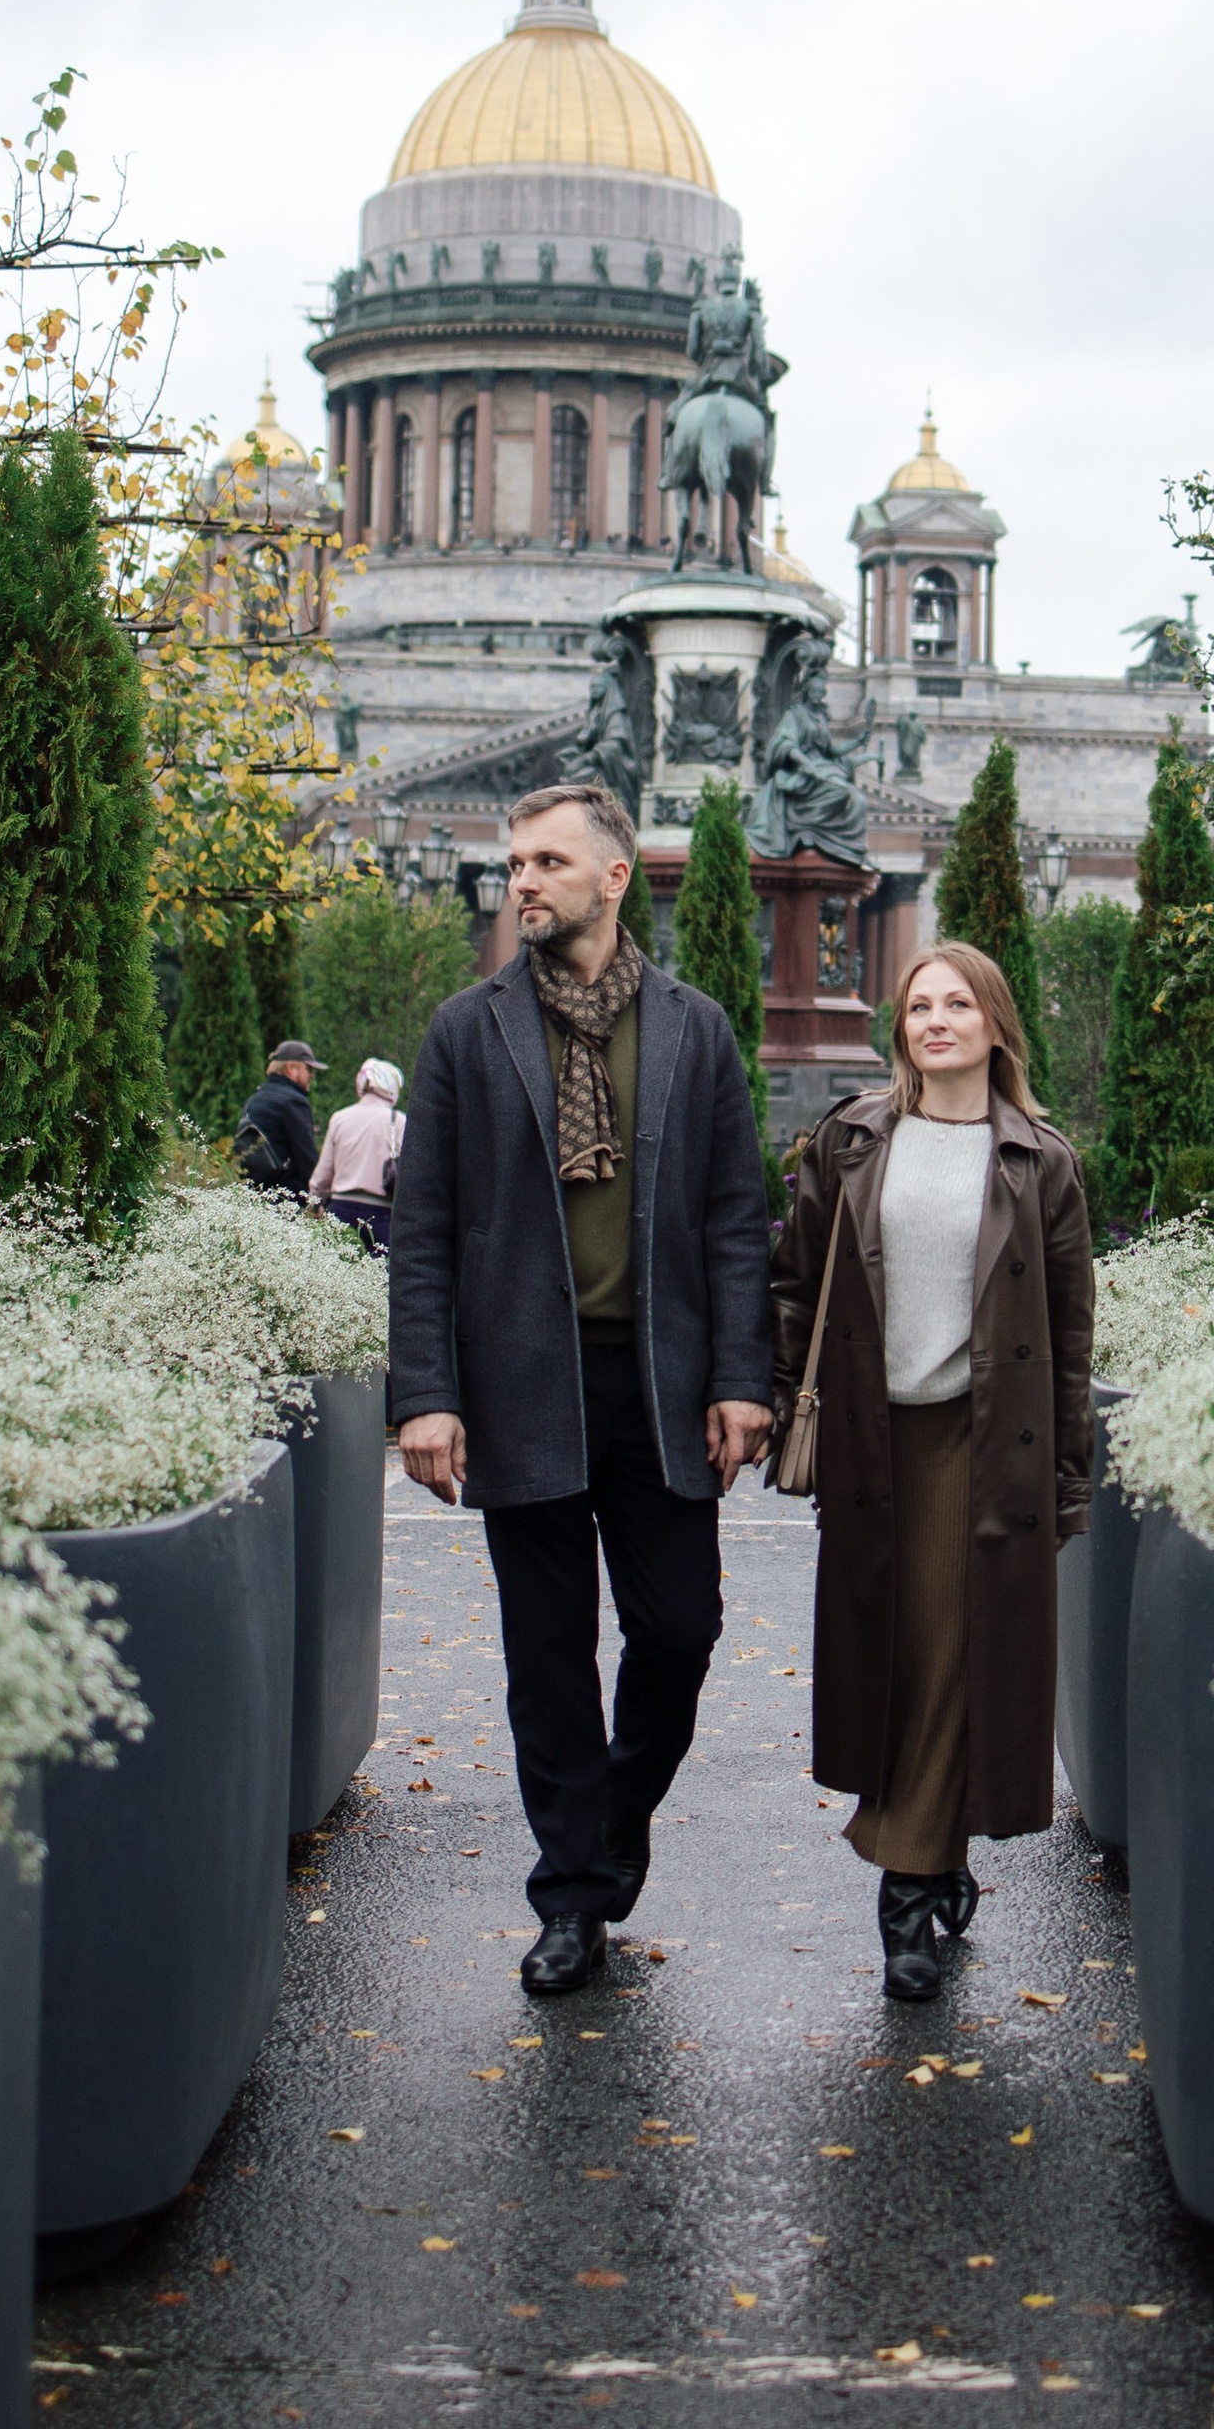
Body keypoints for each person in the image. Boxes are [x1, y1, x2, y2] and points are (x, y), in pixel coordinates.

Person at [389, 781, 774, 1997]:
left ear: (616, 878)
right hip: (520, 1385)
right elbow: (425, 1228)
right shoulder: (467, 1029)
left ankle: (611, 1823)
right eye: (515, 863)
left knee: (679, 1631)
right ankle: (568, 1899)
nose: (524, 882)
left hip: (659, 1388)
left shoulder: (694, 1028)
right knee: (545, 1654)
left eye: (549, 861)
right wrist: (424, 1394)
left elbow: (730, 1217)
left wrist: (740, 1379)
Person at [769, 942, 1094, 2001]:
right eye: (920, 1005)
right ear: (899, 1026)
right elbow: (795, 1282)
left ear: (997, 1025)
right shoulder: (854, 1140)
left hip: (980, 1438)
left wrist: (1068, 1477)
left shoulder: (1037, 1161)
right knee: (894, 1655)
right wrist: (775, 1406)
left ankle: (905, 1891)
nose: (937, 1020)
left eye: (959, 1004)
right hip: (872, 1437)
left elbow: (1071, 1335)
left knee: (952, 1655)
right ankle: (939, 1854)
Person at [308, 1058, 407, 1248]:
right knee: (379, 1274)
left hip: (340, 1210)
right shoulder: (399, 1121)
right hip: (381, 1215)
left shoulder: (340, 1118)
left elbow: (323, 1174)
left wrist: (314, 1204)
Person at [235, 1039, 319, 1199]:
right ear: (291, 1069)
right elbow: (307, 1159)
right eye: (308, 1068)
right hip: (286, 1200)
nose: (312, 1075)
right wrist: (322, 1200)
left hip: (255, 1197)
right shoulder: (293, 1101)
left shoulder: (255, 1098)